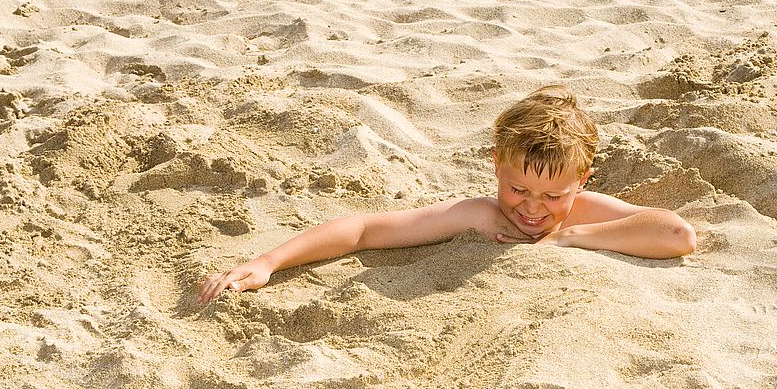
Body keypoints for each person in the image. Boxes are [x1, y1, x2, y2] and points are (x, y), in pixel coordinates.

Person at [198, 84, 696, 305]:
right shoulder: (482, 216)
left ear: (582, 181)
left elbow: (676, 234)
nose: (532, 208)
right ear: (496, 168)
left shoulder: (583, 213)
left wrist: (569, 239)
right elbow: (365, 230)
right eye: (518, 188)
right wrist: (269, 261)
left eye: (553, 195)